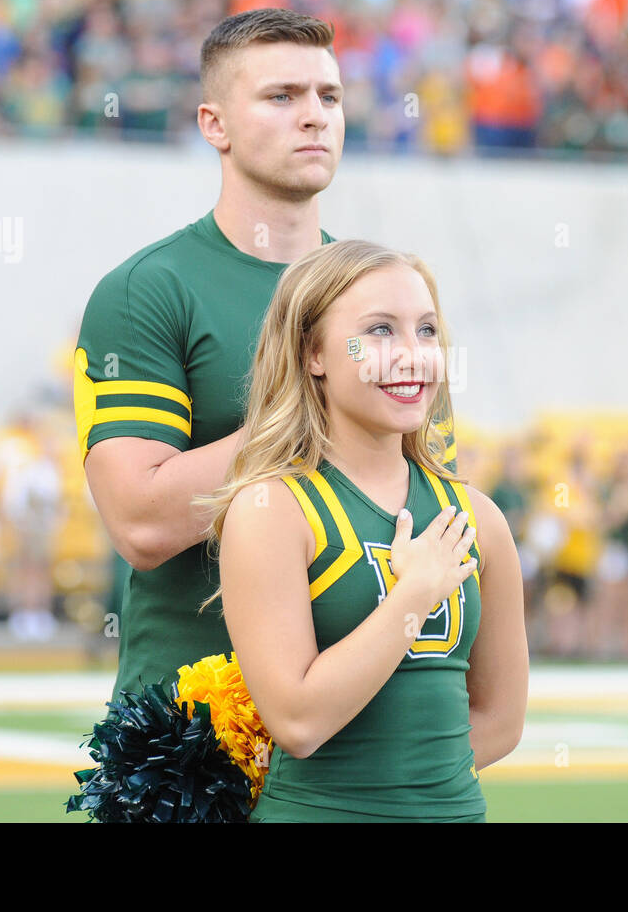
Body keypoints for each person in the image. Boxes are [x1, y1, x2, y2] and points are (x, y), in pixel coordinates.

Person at [74, 8, 459, 703]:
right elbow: (141, 522)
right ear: (213, 124)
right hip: (193, 740)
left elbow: (434, 498)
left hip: (359, 728)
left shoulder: (382, 294)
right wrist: (315, 417)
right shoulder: (146, 290)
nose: (313, 116)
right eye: (281, 97)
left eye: (329, 97)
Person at [194, 239, 528, 822]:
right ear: (313, 353)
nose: (412, 355)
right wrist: (414, 596)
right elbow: (297, 723)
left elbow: (502, 720)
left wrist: (410, 791)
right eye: (379, 331)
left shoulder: (478, 518)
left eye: (426, 331)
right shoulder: (272, 510)